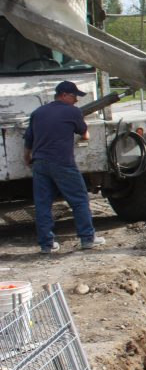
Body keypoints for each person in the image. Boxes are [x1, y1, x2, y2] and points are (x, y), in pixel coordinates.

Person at [23, 81, 105, 254]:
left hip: (39, 163)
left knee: (42, 204)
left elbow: (28, 140)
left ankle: (47, 245)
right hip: (62, 162)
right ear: (64, 95)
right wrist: (85, 133)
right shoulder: (73, 112)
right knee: (79, 200)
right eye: (74, 96)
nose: (76, 100)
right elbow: (85, 134)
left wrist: (27, 158)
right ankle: (87, 238)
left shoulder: (38, 112)